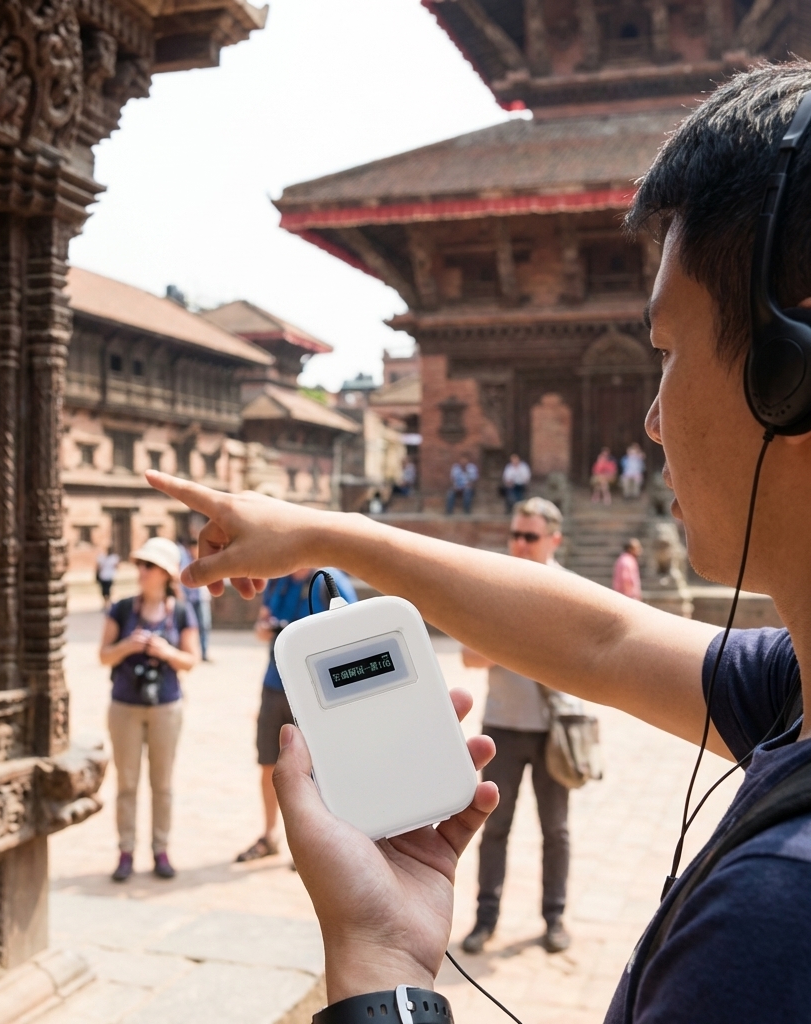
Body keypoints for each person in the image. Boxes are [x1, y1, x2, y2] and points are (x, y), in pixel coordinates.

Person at [145, 65, 811, 1023]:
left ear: (793, 374)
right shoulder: (797, 688)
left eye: (665, 349)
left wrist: (379, 966)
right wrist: (330, 535)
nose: (654, 419)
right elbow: (606, 644)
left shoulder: (774, 925)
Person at [460, 497, 580, 955]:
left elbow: (585, 660)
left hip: (554, 727)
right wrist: (515, 639)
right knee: (494, 826)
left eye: (530, 536)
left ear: (554, 539)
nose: (520, 544)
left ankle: (554, 917)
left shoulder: (571, 591)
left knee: (557, 830)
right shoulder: (492, 586)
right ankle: (485, 918)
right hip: (504, 726)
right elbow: (470, 656)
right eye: (516, 534)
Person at [236, 567, 359, 863]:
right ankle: (269, 835)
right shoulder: (276, 579)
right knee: (268, 762)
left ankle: (315, 839)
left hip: (312, 691)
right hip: (274, 684)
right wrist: (266, 630)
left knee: (316, 771)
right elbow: (260, 626)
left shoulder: (329, 582)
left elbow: (354, 630)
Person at [99, 537, 199, 882]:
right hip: (125, 704)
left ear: (166, 574)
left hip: (165, 706)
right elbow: (103, 655)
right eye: (140, 565)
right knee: (126, 783)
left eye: (149, 566)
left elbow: (191, 660)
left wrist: (165, 652)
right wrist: (128, 646)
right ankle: (125, 851)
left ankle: (161, 849)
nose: (141, 571)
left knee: (163, 784)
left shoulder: (182, 612)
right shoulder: (123, 608)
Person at [179, 538, 212, 661]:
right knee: (193, 626)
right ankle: (194, 651)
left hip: (202, 597)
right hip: (190, 598)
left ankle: (204, 653)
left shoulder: (203, 560)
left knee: (205, 625)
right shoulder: (185, 561)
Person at [96, 546, 120, 610]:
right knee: (104, 590)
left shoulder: (113, 558)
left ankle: (107, 603)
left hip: (108, 576)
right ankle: (106, 602)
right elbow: (98, 567)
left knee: (107, 590)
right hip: (104, 576)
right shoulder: (103, 557)